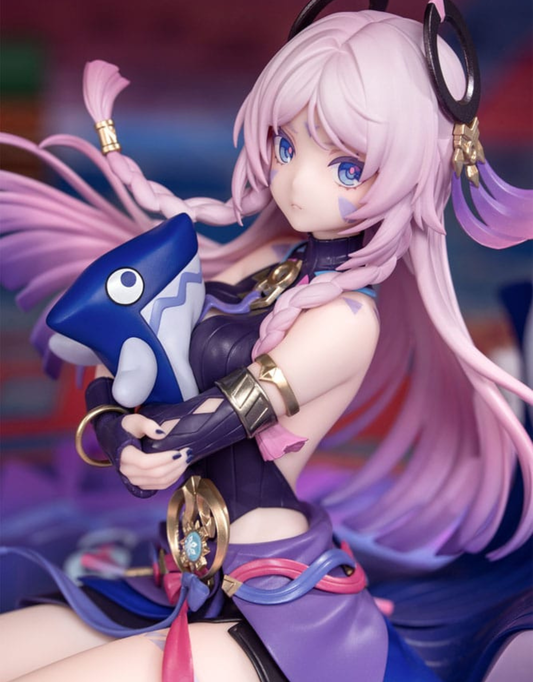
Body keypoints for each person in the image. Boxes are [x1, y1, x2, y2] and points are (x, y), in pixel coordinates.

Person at [0, 2, 532, 681]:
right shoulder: (266, 260)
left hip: (280, 605)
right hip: (180, 573)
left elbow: (207, 421)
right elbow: (127, 380)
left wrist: (142, 438)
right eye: (286, 145)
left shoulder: (346, 321)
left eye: (347, 167)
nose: (295, 181)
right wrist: (114, 425)